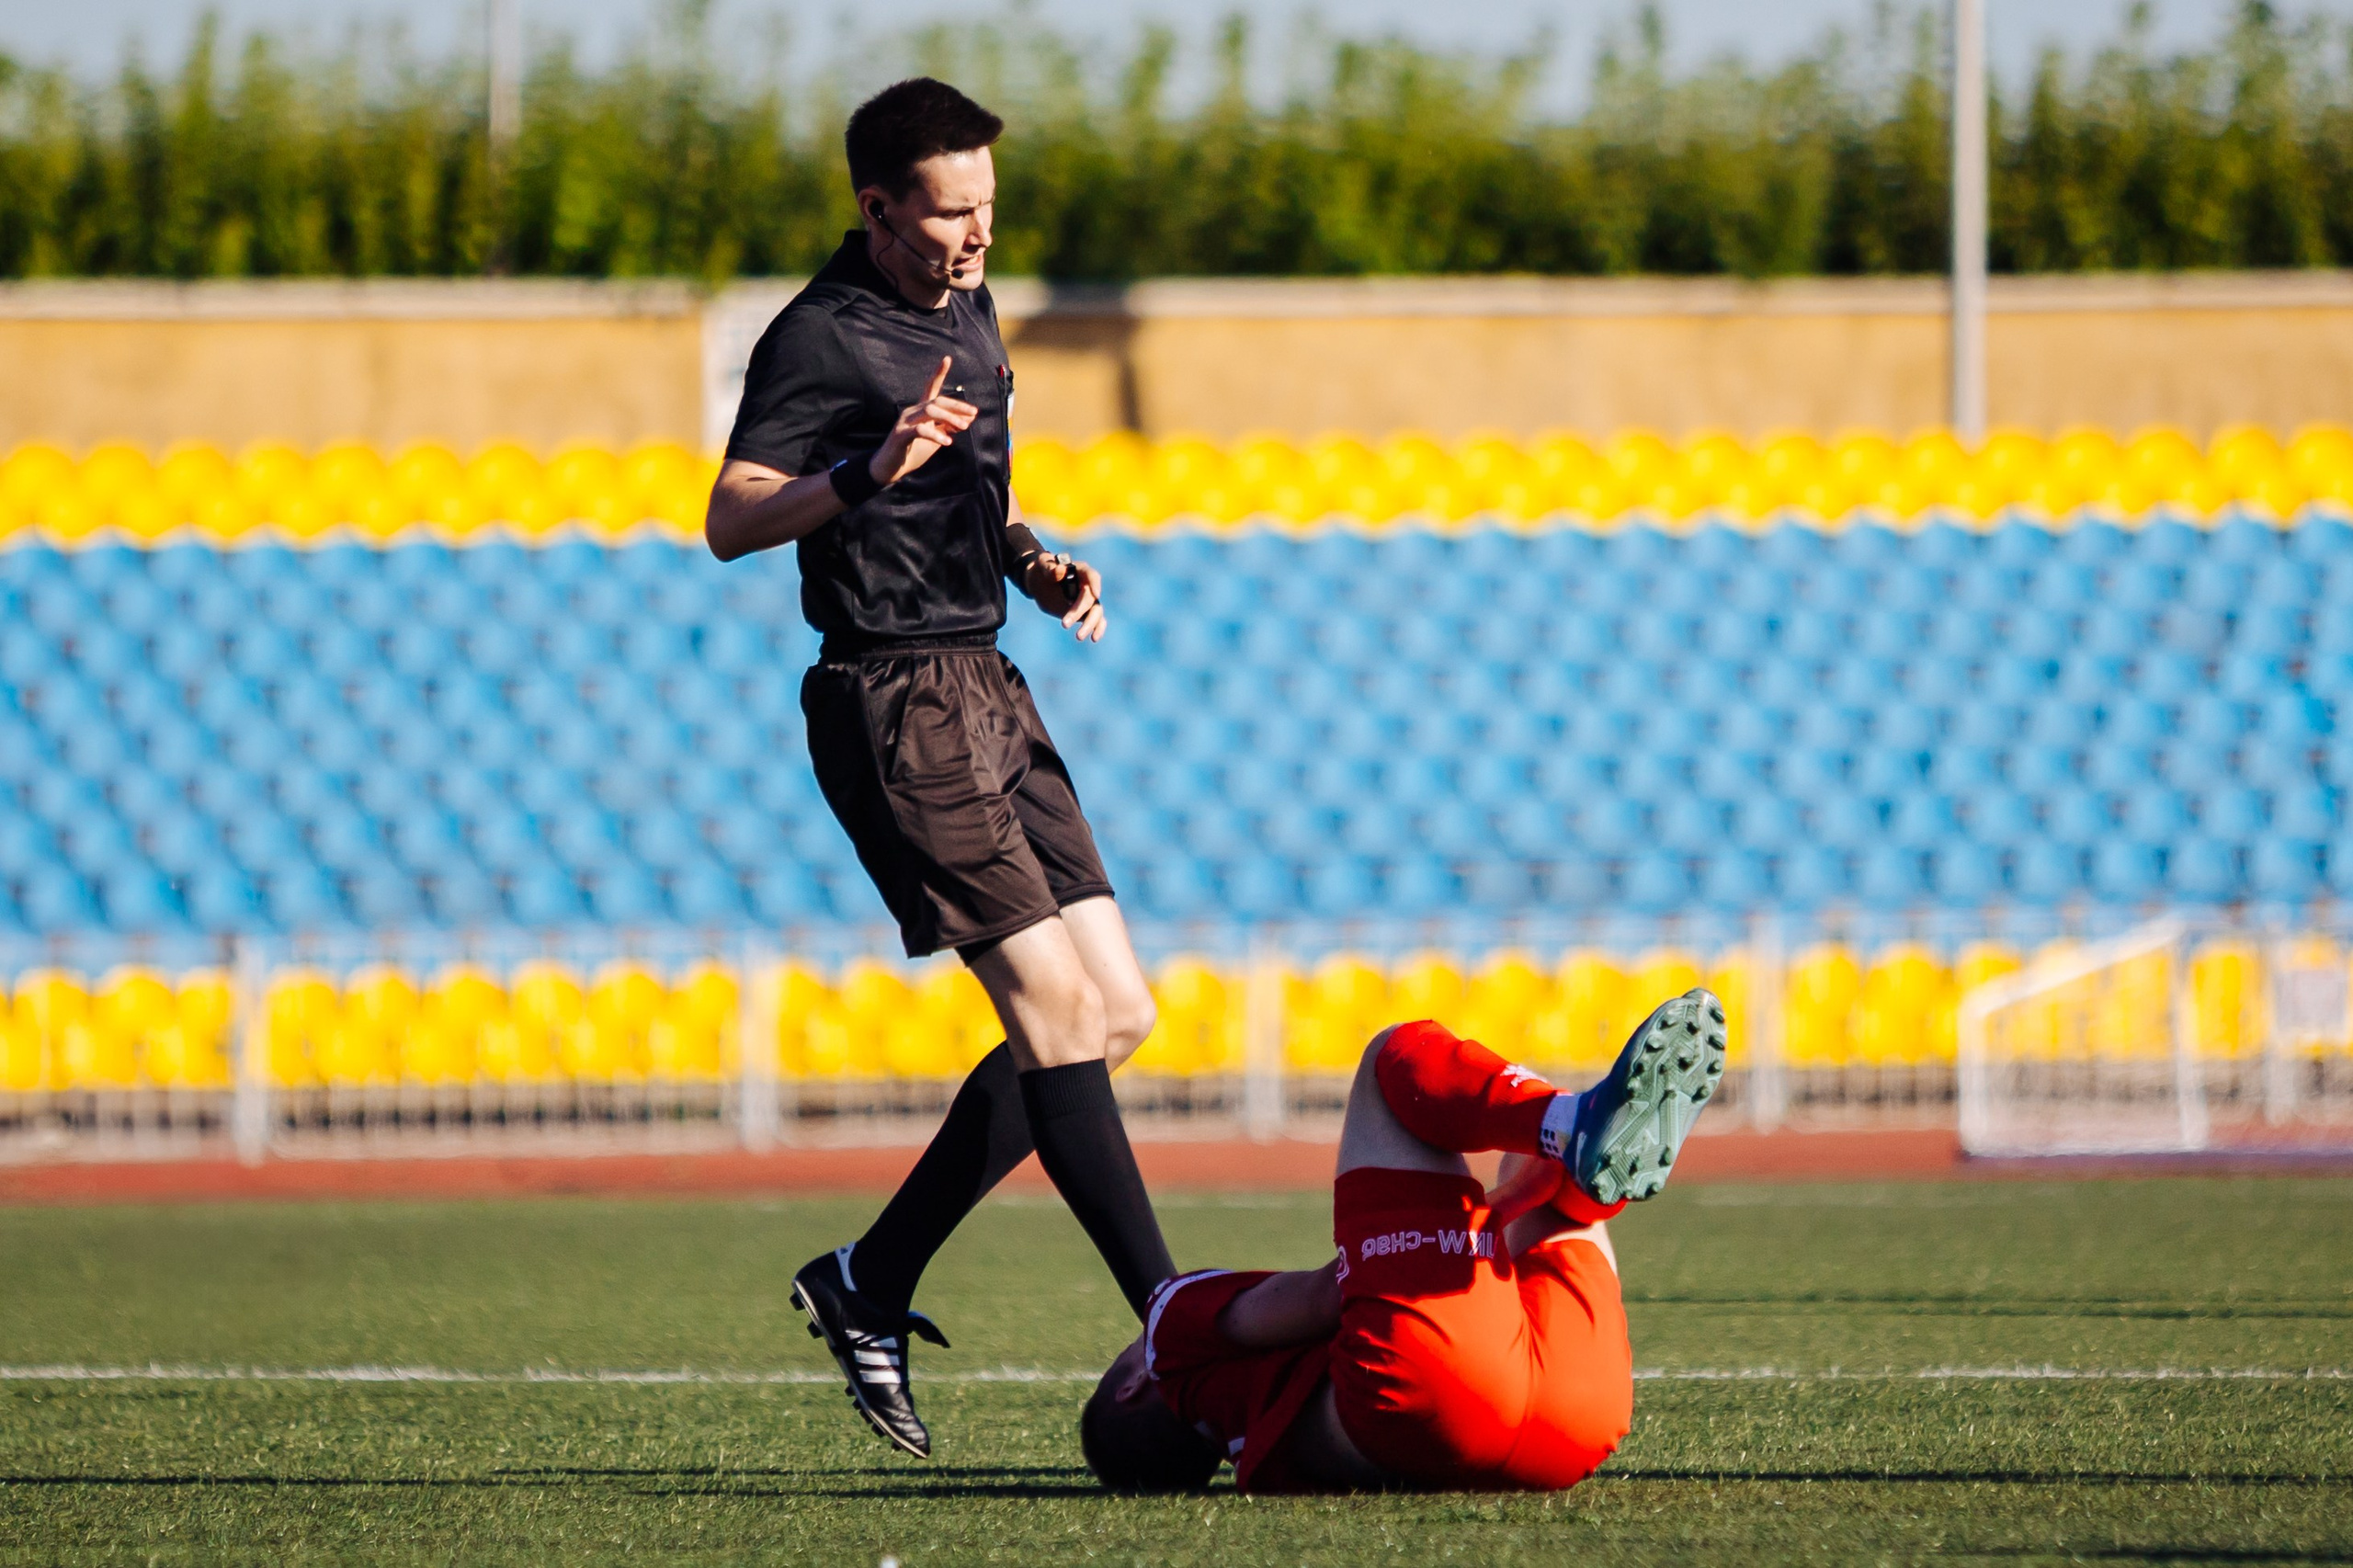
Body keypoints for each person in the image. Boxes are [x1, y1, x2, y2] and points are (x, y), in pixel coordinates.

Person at [703, 77, 1173, 1459]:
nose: (975, 233)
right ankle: (1173, 1314)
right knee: (1051, 1012)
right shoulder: (818, 335)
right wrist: (863, 472)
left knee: (1118, 1011)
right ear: (875, 207)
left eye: (986, 206)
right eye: (949, 210)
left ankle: (870, 1278)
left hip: (989, 677)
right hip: (894, 697)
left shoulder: (964, 302)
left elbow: (982, 469)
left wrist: (1032, 555)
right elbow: (729, 521)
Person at [1079, 989, 1730, 1494]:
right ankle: (1571, 1128)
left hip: (1572, 1428)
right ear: (1134, 1384)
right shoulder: (1170, 1342)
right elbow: (1318, 1299)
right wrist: (1462, 1226)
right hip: (1424, 1390)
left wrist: (1480, 1222)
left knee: (1521, 1171)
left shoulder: (1250, 1435)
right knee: (1390, 1060)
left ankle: (1583, 1159)